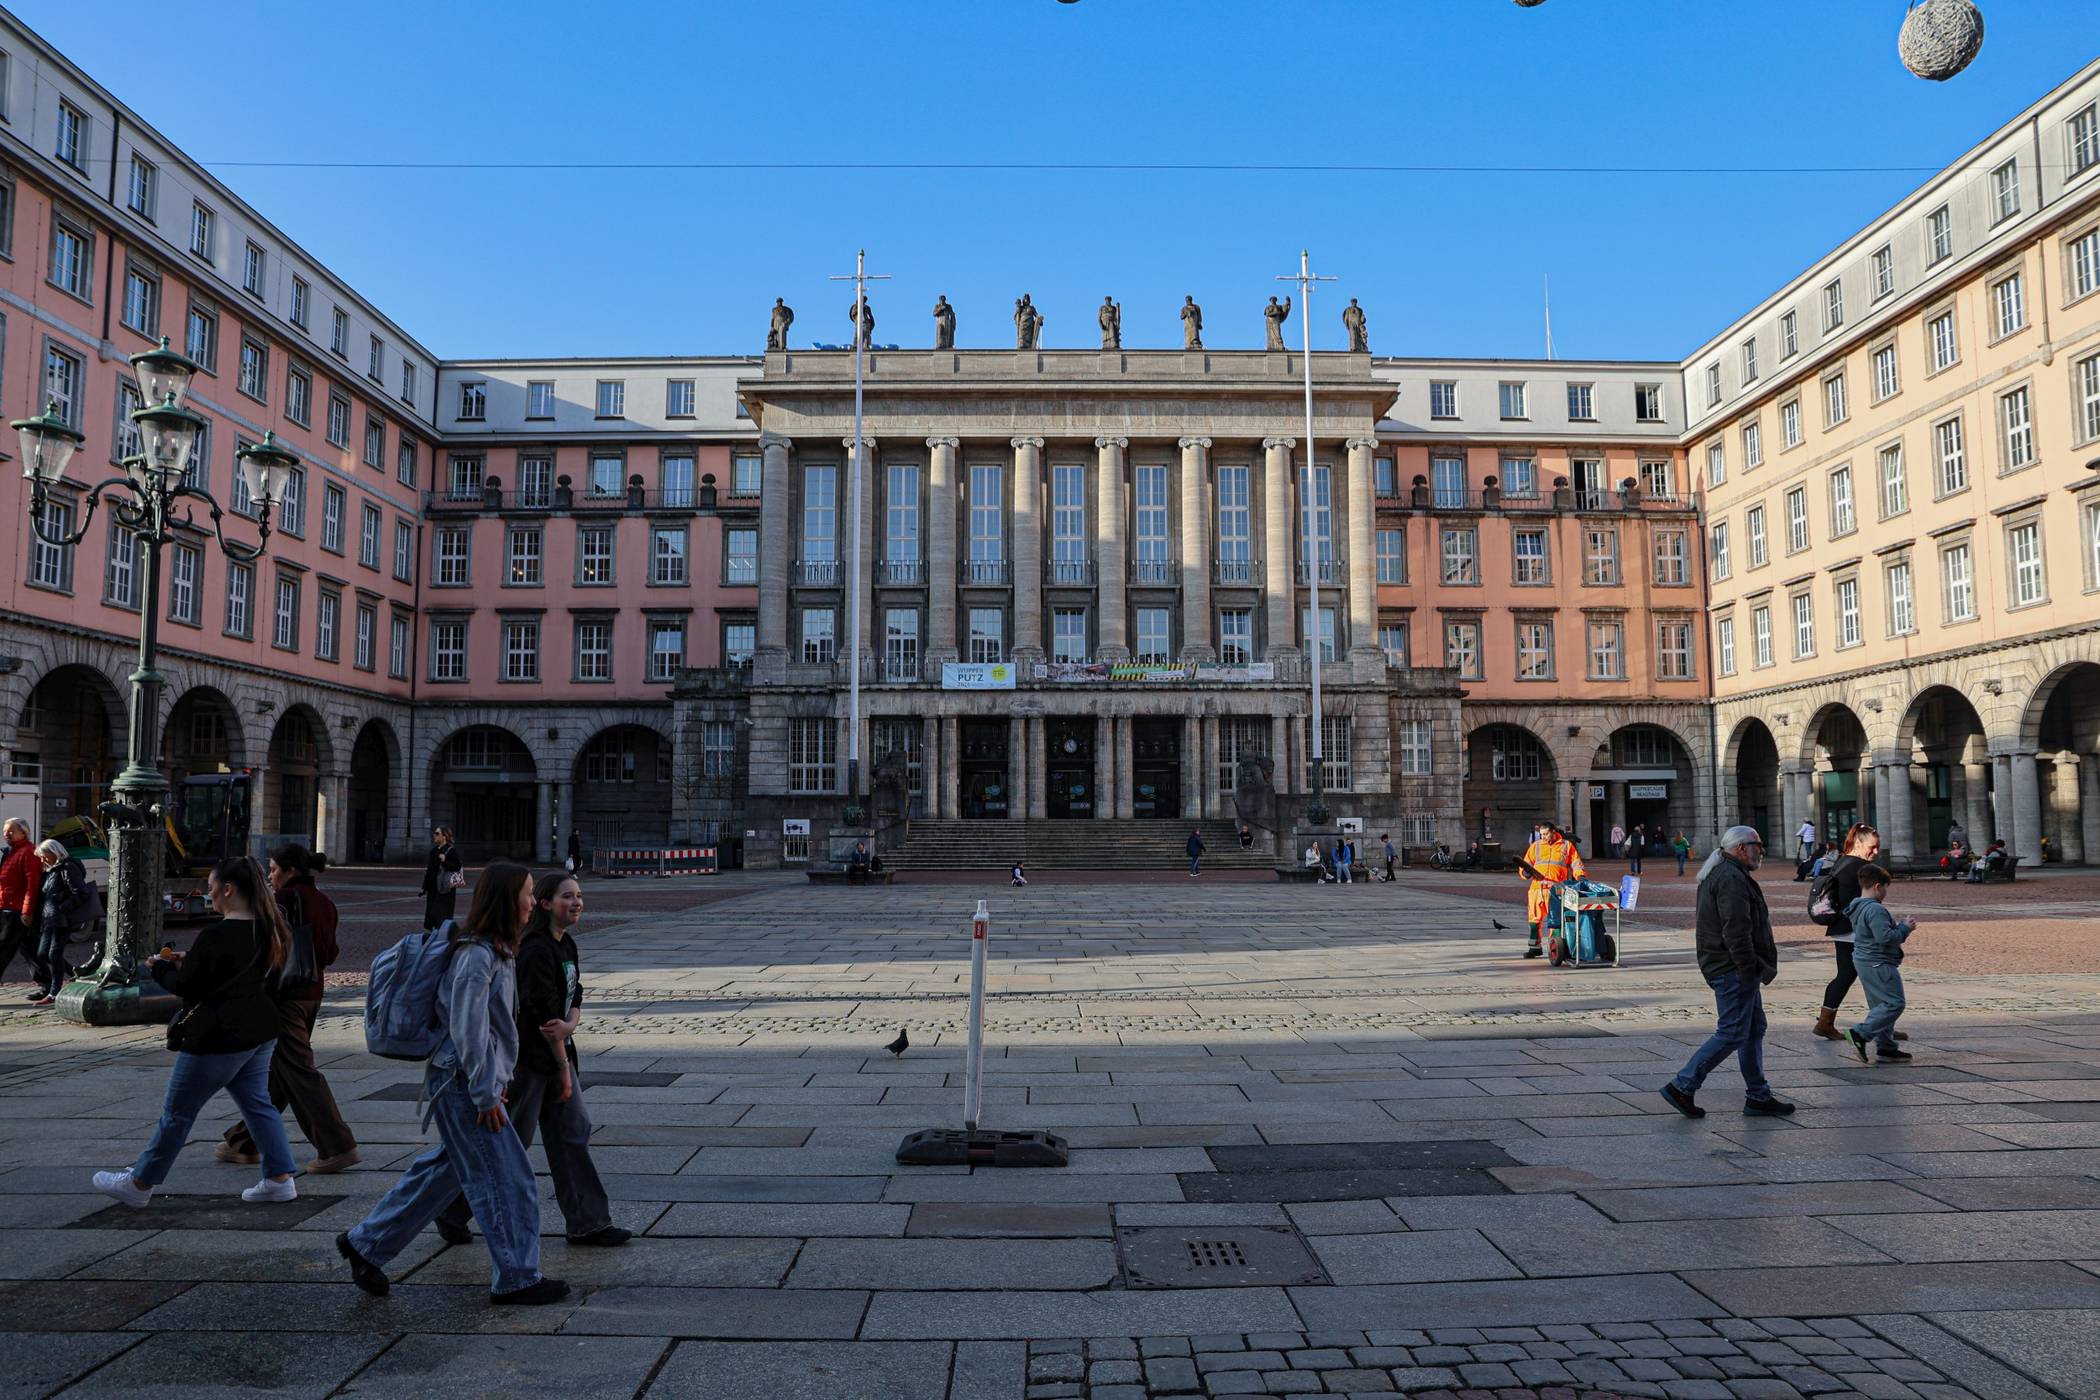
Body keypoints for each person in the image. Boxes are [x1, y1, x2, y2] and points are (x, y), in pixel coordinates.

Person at [338, 862, 567, 1306]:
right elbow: (469, 1030)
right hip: (463, 1085)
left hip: (470, 1082)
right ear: (506, 899)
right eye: (527, 892)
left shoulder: (496, 950)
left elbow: (490, 1032)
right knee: (507, 1179)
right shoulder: (477, 955)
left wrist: (495, 1079)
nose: (531, 901)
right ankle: (518, 1276)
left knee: (445, 1172)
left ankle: (366, 1244)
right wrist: (485, 1091)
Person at [437, 871, 630, 1249]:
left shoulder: (566, 944)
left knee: (573, 1132)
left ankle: (588, 1222)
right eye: (566, 897)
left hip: (557, 1056)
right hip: (527, 1064)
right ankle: (451, 1209)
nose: (576, 903)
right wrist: (563, 1067)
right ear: (544, 903)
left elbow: (573, 998)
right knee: (510, 1144)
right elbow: (542, 1017)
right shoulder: (535, 948)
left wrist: (571, 1026)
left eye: (578, 896)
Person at [91, 857, 299, 1208]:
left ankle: (140, 1183)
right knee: (258, 1104)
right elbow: (229, 971)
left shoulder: (216, 934)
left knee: (178, 1113)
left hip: (218, 1037)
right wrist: (195, 961)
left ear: (228, 890)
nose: (210, 894)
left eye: (212, 888)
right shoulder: (268, 927)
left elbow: (188, 989)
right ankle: (280, 1179)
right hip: (260, 1029)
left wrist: (158, 969)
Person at [217, 846, 360, 1174]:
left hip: (283, 997)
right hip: (312, 994)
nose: (271, 875)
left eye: (274, 869)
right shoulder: (325, 902)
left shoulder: (281, 901)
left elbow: (257, 947)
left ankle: (338, 1146)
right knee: (281, 1071)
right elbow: (330, 952)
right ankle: (244, 1141)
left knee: (297, 1070)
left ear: (291, 870)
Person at [1659, 826, 1795, 1119]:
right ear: (1741, 848)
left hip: (1732, 965)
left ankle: (1758, 1095)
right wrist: (1748, 968)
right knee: (1733, 1031)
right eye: (1757, 845)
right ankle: (1683, 1084)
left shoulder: (1726, 872)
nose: (1761, 850)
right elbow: (1736, 930)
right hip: (1732, 967)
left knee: (1752, 1029)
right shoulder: (1731, 878)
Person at [1811, 823, 1880, 1044]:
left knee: (1847, 975)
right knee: (1872, 975)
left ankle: (1826, 1021)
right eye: (1873, 846)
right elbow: (1870, 898)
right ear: (1859, 843)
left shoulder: (1842, 861)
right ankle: (1881, 1024)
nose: (1876, 852)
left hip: (1841, 927)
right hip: (1854, 928)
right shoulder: (1861, 867)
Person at [1844, 862, 1915, 1064]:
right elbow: (1885, 937)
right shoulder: (1875, 909)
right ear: (1877, 887)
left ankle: (1886, 1047)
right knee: (1894, 1003)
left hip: (1864, 960)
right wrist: (1905, 928)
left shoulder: (1856, 906)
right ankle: (1860, 1033)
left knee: (1880, 1005)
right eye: (1885, 888)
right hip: (1879, 961)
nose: (1885, 892)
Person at [31, 839, 92, 1006]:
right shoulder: (52, 869)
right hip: (49, 919)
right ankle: (77, 974)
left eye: (44, 857)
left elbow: (81, 892)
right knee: (43, 953)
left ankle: (54, 993)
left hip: (62, 919)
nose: (42, 861)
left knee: (54, 954)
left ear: (54, 853)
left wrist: (62, 907)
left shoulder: (68, 867)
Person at [1516, 825, 1585, 958]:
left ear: (1554, 832)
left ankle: (1556, 949)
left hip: (1557, 888)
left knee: (1556, 919)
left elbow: (1576, 863)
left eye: (1546, 834)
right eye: (1541, 834)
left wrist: (1580, 876)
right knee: (1534, 919)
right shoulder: (1536, 846)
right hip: (1537, 887)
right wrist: (1525, 872)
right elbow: (1526, 863)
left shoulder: (1566, 846)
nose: (1543, 837)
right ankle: (1534, 947)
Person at [0, 817, 40, 985]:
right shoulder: (11, 851)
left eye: (11, 831)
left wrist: (27, 911)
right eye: (5, 831)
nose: (6, 834)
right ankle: (47, 984)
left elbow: (33, 885)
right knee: (30, 949)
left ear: (23, 832)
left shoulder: (28, 851)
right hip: (6, 907)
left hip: (16, 911)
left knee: (3, 949)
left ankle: (51, 983)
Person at [421, 827, 463, 931]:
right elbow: (430, 870)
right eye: (435, 833)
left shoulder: (451, 851)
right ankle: (433, 934)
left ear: (444, 836)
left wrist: (445, 861)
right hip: (433, 888)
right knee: (431, 914)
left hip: (445, 889)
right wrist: (424, 887)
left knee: (441, 915)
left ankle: (442, 936)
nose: (434, 835)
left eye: (437, 833)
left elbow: (457, 867)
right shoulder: (433, 851)